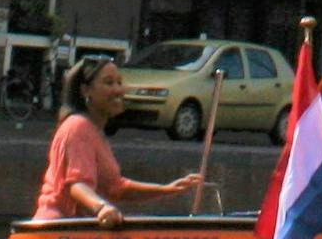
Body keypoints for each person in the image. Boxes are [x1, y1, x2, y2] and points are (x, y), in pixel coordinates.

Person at [36, 56, 205, 225]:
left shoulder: (94, 131)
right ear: (85, 91)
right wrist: (102, 208)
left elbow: (116, 188)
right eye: (109, 83)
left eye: (119, 82)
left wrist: (167, 189)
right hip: (58, 229)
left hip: (78, 229)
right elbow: (78, 184)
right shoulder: (78, 127)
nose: (118, 90)